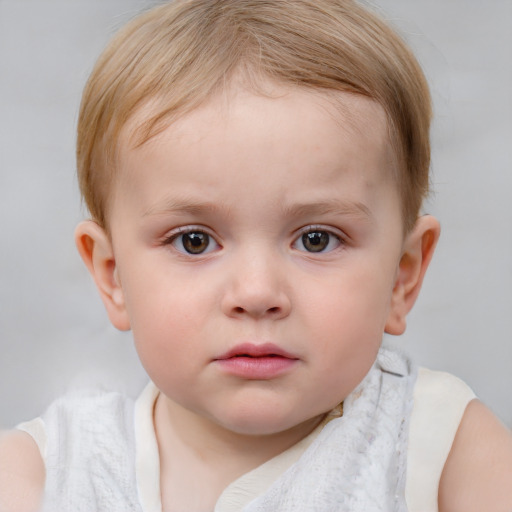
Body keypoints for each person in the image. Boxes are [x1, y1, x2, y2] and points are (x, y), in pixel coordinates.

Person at [1, 0, 511, 510]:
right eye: (194, 241)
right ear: (113, 276)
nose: (257, 293)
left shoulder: (443, 451)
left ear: (403, 276)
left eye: (316, 239)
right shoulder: (44, 476)